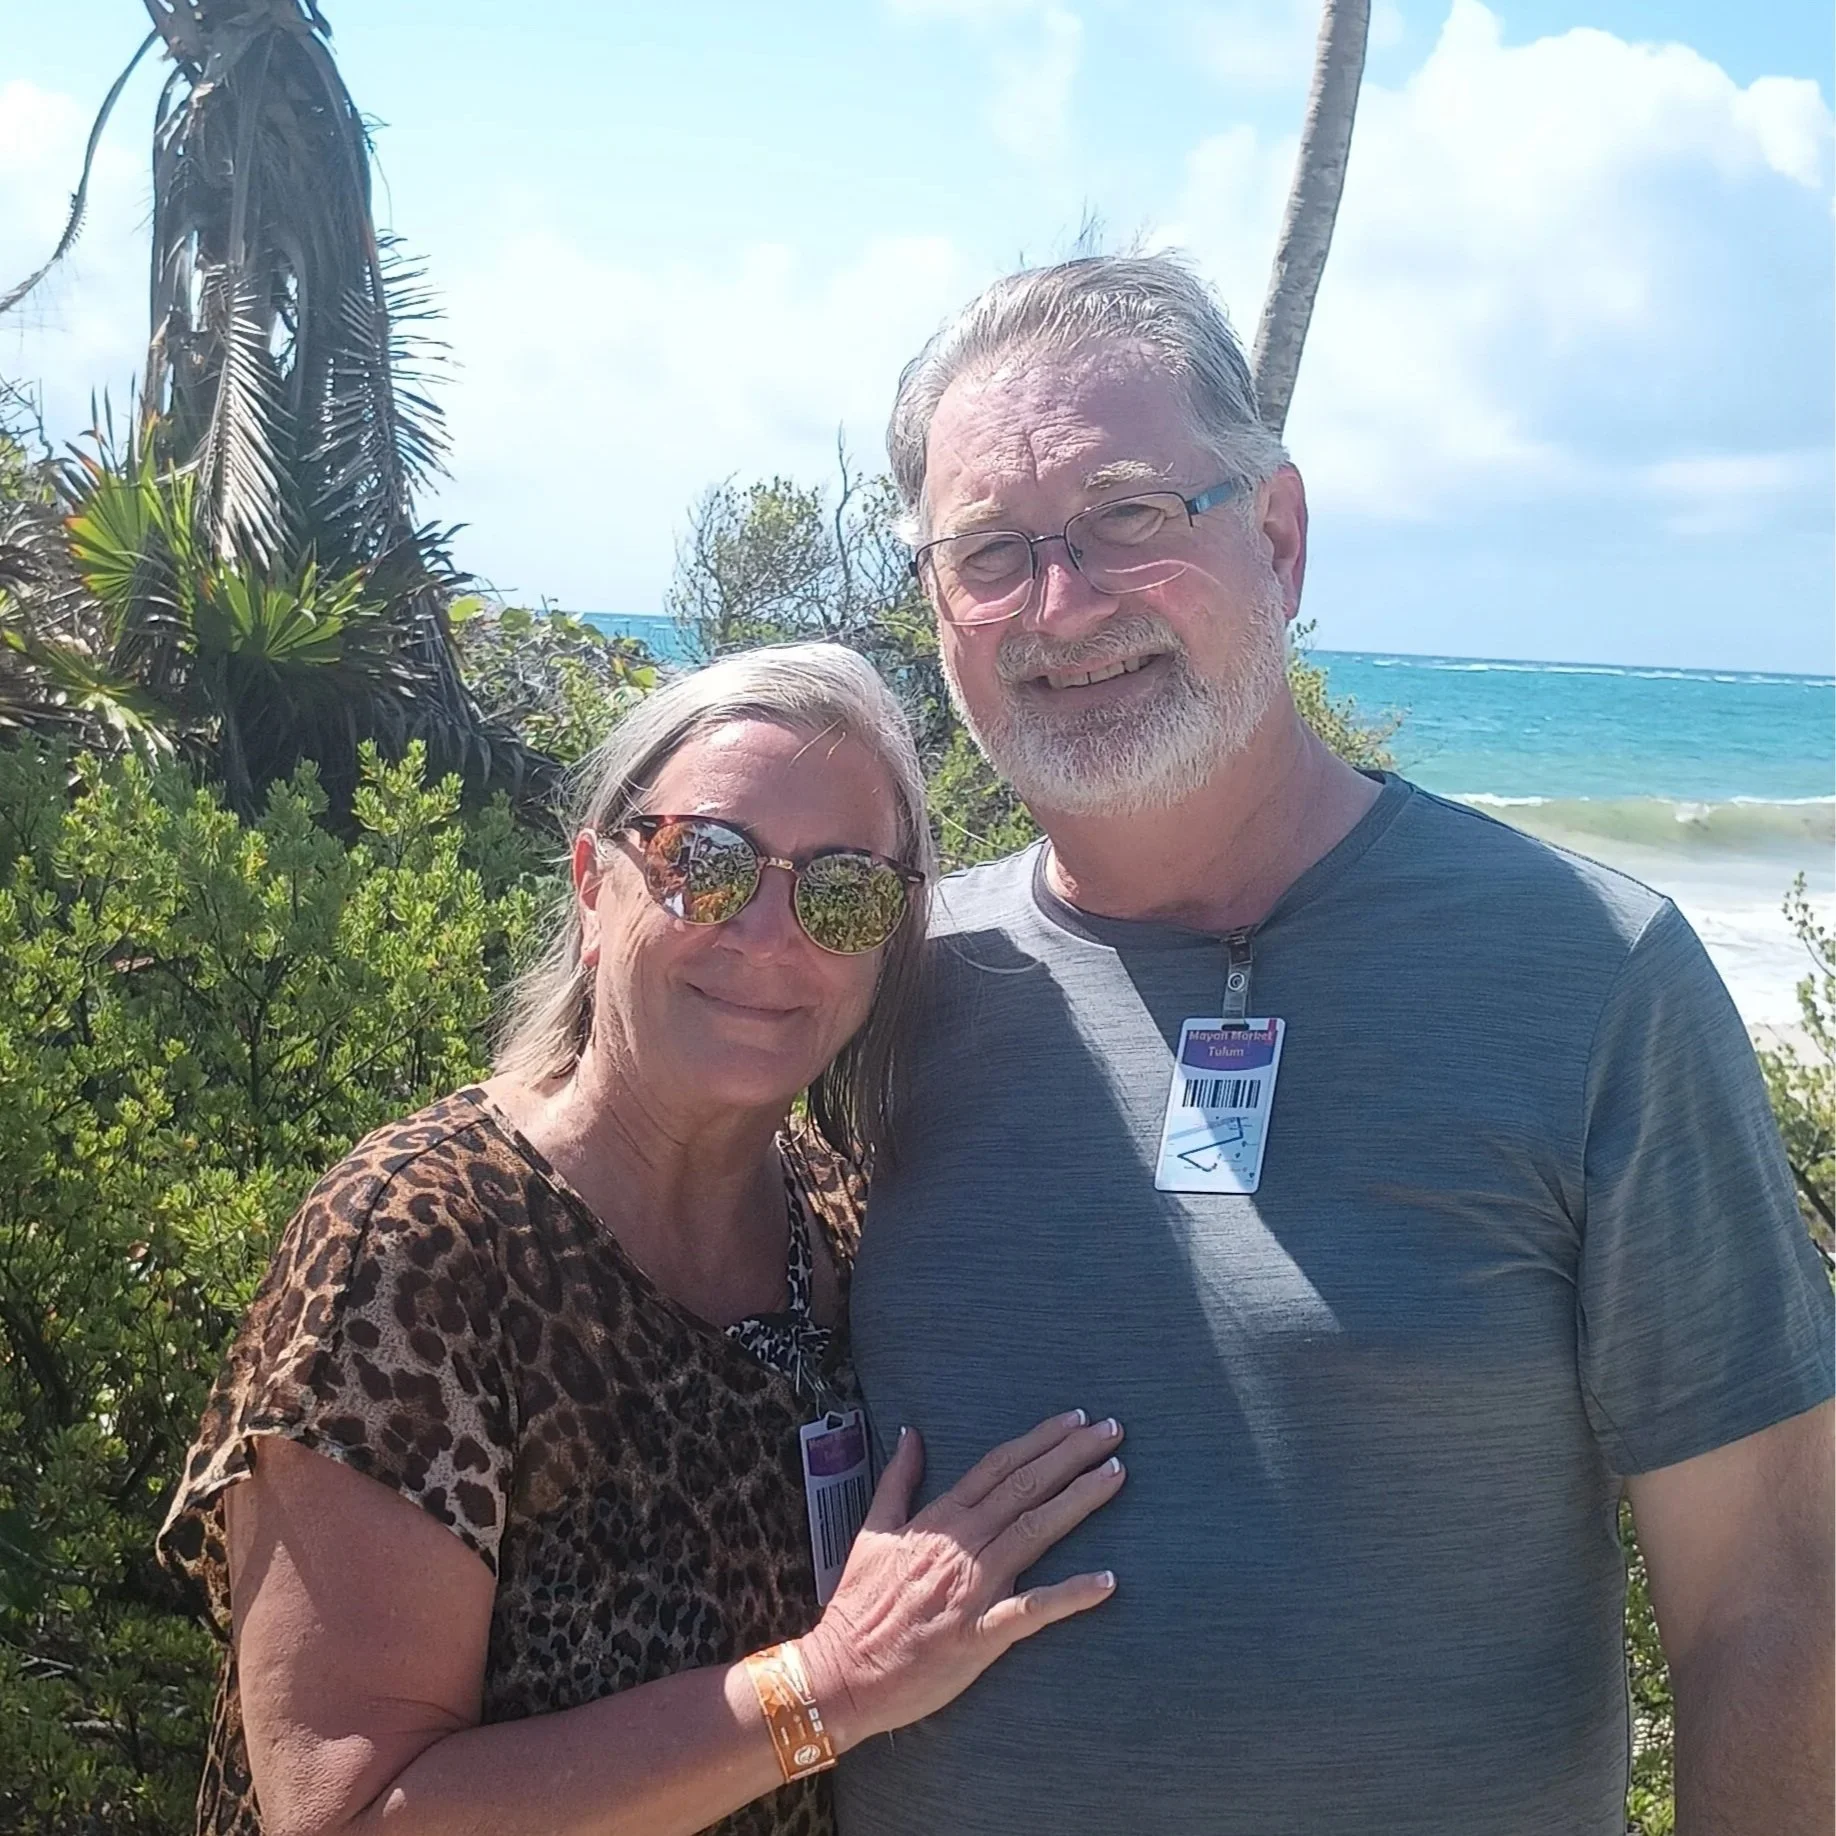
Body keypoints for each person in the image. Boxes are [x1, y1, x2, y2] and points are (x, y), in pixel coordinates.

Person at [837, 256, 1834, 1835]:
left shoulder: (1591, 976)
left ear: (1279, 538)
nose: (1061, 603)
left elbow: (1772, 1591)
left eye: (1130, 518)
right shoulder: (881, 991)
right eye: (992, 555)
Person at [158, 643, 1127, 1836]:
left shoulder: (838, 1222)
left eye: (843, 890)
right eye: (703, 863)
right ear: (590, 883)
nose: (771, 934)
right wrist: (832, 1686)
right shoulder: (422, 1244)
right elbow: (345, 1807)